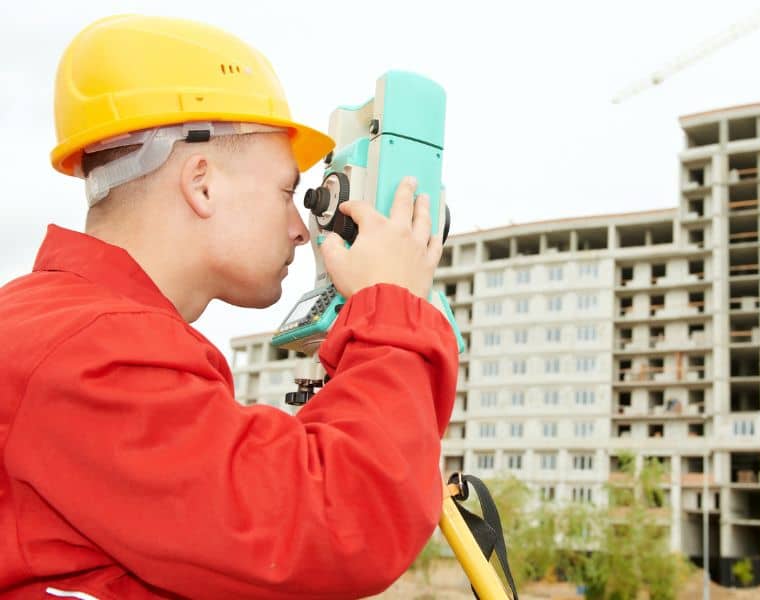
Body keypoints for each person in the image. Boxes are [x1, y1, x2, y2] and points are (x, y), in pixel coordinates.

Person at [0, 14, 457, 599]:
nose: (300, 229)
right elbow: (339, 522)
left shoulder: (65, 330)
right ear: (202, 183)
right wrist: (391, 309)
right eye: (287, 191)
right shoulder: (92, 353)